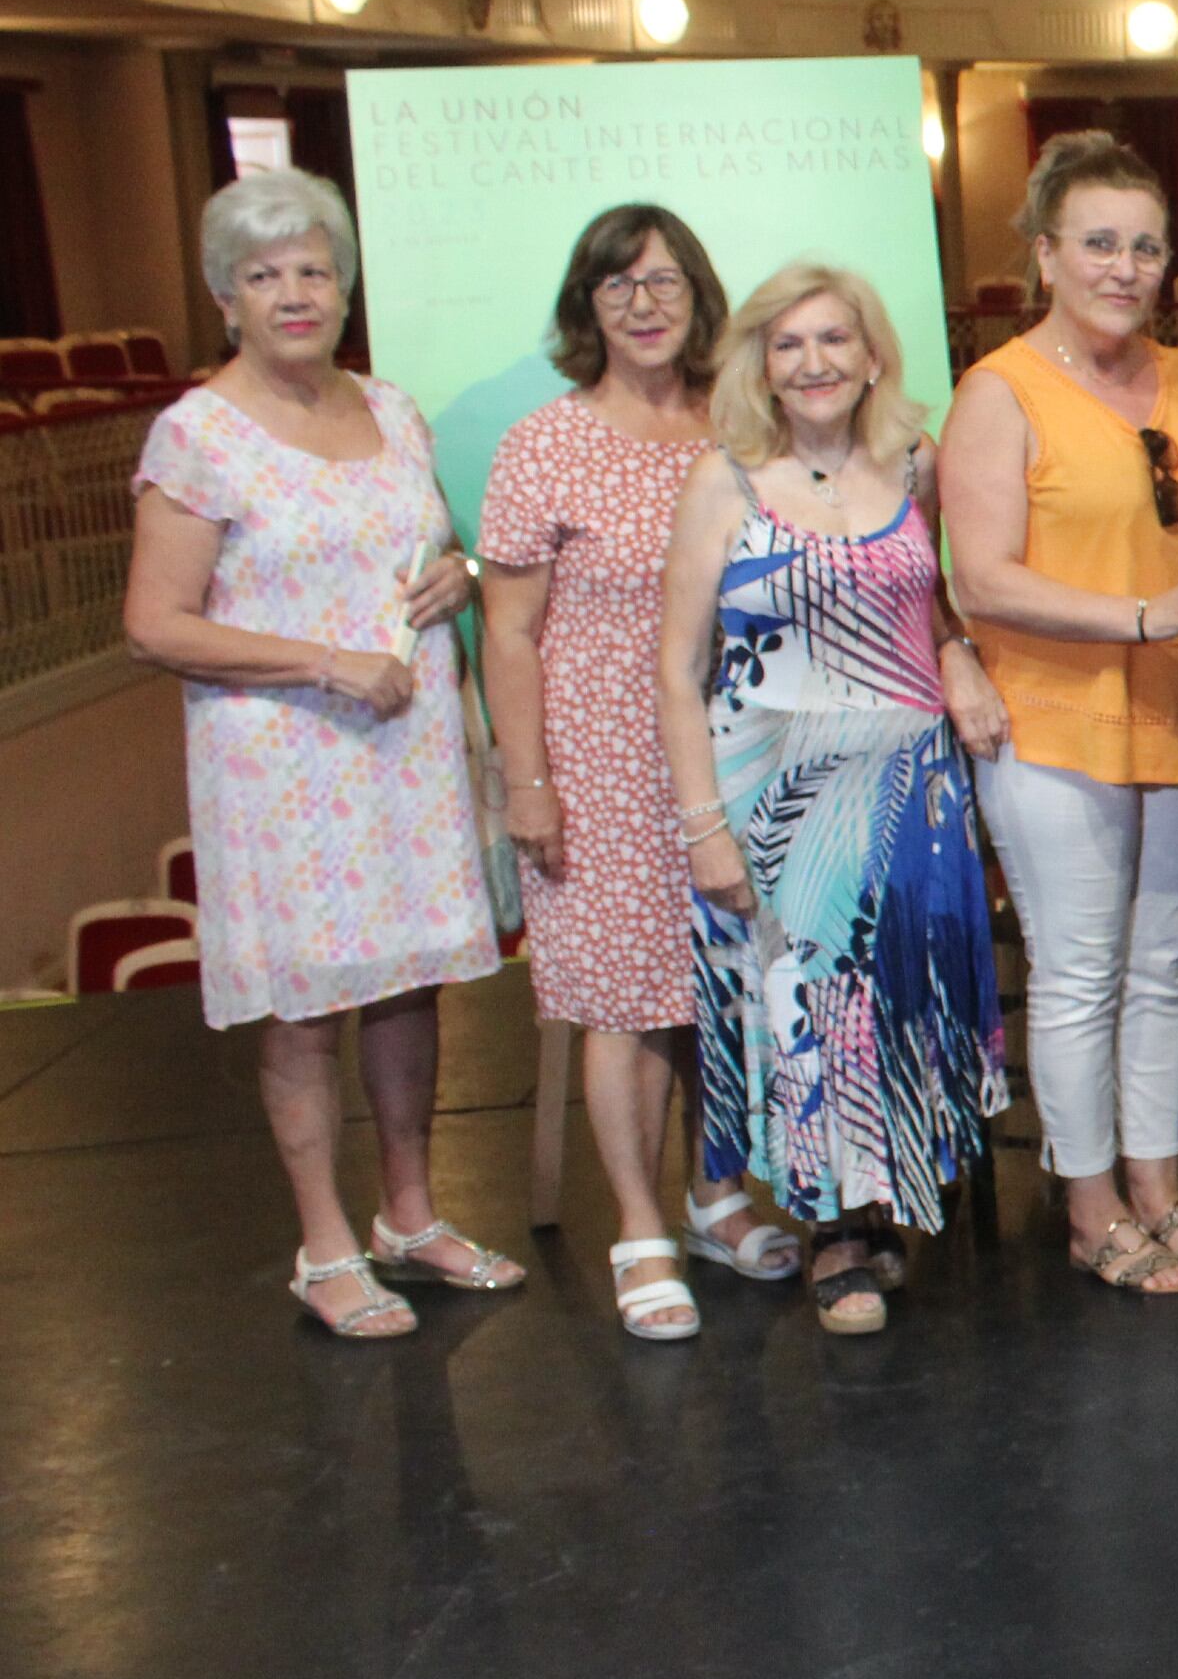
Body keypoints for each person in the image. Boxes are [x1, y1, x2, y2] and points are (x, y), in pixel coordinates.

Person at [123, 167, 517, 1341]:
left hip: (407, 753)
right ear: (223, 296)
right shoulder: (194, 434)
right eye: (264, 275)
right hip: (282, 764)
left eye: (313, 270)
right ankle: (326, 1243)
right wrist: (325, 662)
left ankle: (410, 1215)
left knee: (408, 988)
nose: (294, 293)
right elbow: (155, 624)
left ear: (343, 288)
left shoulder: (393, 410)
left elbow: (429, 552)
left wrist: (464, 575)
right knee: (303, 1011)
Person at [656, 261, 1010, 1339]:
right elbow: (678, 670)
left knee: (891, 999)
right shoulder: (725, 480)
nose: (813, 363)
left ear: (869, 357)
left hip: (909, 782)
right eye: (790, 344)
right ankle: (832, 1234)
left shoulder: (916, 461)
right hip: (777, 795)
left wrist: (961, 660)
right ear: (762, 361)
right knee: (808, 1007)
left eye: (833, 341)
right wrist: (703, 825)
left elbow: (934, 601)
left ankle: (883, 1199)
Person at [480, 204, 801, 1342]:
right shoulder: (544, 443)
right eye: (617, 286)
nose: (645, 304)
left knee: (724, 984)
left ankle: (717, 1195)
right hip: (601, 758)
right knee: (620, 995)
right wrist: (528, 782)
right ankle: (638, 1224)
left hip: (742, 750)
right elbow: (507, 631)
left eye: (664, 282)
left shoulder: (745, 427)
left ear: (699, 296)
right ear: (587, 307)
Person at [941, 132, 1178, 1300]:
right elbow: (982, 578)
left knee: (1161, 966)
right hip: (1054, 714)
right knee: (1077, 972)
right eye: (1100, 244)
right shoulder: (1000, 389)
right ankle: (1085, 1202)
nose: (1124, 266)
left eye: (1145, 246)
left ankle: (1160, 1187)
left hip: (1175, 709)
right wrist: (1141, 612)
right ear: (1046, 256)